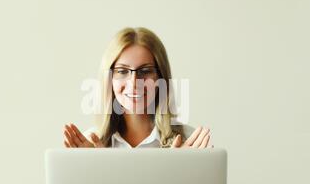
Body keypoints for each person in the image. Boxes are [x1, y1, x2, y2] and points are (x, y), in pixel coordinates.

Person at [63, 27, 212, 148]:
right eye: (122, 71)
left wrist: (182, 172)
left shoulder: (190, 143)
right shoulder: (89, 146)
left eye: (145, 71)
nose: (134, 83)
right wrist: (95, 171)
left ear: (161, 77)